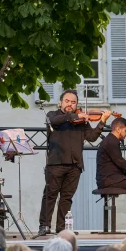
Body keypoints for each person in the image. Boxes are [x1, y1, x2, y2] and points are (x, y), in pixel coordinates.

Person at [39, 89, 112, 235]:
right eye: (67, 101)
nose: (70, 104)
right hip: (56, 164)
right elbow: (53, 121)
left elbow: (91, 137)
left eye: (73, 102)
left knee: (67, 197)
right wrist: (74, 116)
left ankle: (62, 228)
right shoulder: (53, 115)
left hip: (75, 165)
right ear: (60, 102)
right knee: (50, 195)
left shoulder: (81, 122)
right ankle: (44, 226)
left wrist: (102, 122)